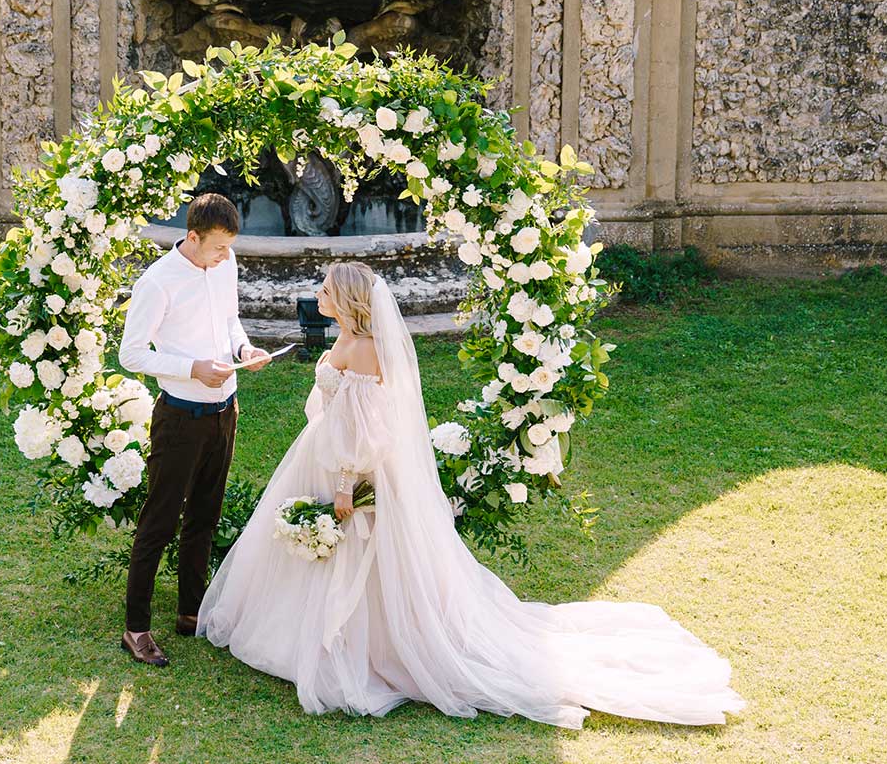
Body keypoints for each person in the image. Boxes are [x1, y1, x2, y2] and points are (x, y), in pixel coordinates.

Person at [197, 261, 748, 729]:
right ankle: (303, 634)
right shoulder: (346, 337)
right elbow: (342, 410)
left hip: (349, 468)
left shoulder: (364, 348)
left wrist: (345, 484)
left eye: (324, 289)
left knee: (359, 554)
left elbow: (369, 428)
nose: (317, 295)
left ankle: (365, 648)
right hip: (323, 455)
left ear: (343, 299)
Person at [117, 192, 270, 667]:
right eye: (218, 247)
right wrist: (191, 368)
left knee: (204, 516)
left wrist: (243, 351)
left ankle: (190, 612)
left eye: (229, 247)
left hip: (226, 410)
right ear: (192, 237)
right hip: (179, 415)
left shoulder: (226, 263)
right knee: (159, 521)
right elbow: (132, 354)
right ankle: (136, 628)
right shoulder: (158, 282)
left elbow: (230, 321)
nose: (226, 256)